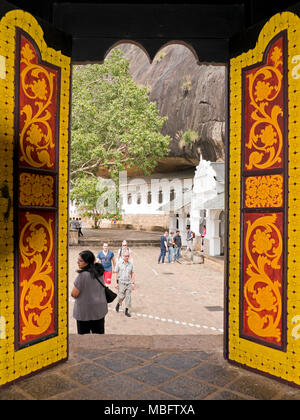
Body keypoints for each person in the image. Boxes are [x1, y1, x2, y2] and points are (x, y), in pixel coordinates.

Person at [71, 250, 107, 335]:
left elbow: (74, 294)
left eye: (80, 261)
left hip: (85, 312)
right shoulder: (100, 272)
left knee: (83, 337)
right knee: (99, 336)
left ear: (87, 263)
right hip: (99, 310)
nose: (78, 262)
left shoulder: (82, 276)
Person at [114, 251, 135, 317]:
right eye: (125, 256)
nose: (127, 257)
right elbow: (116, 273)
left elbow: (132, 273)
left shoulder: (131, 264)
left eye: (128, 256)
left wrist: (132, 283)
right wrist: (116, 283)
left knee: (128, 297)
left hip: (128, 283)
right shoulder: (119, 263)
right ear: (123, 256)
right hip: (121, 282)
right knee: (121, 296)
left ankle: (126, 310)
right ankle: (118, 303)